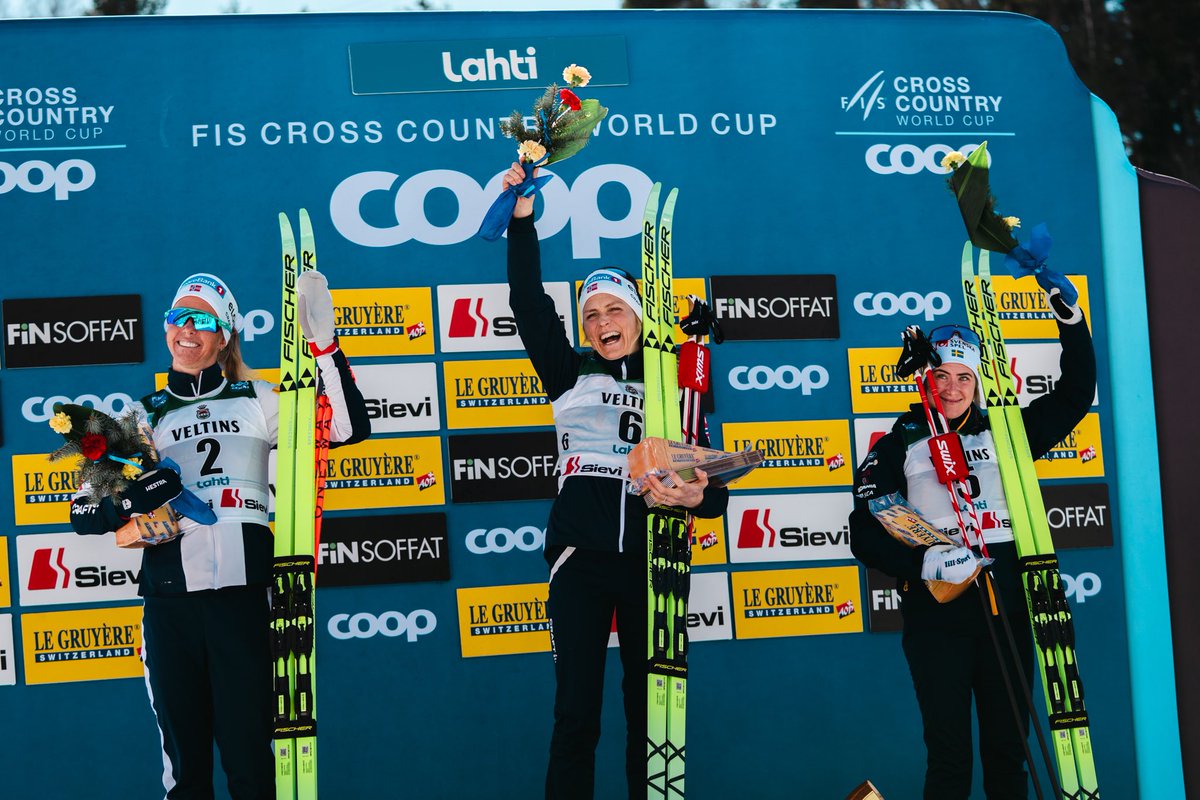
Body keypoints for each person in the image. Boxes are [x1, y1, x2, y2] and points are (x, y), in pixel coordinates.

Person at [69, 271, 370, 800]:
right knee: (186, 774)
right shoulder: (141, 416)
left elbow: (346, 428)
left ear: (225, 334)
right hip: (170, 605)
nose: (186, 330)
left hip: (245, 600)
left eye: (202, 320)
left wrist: (326, 348)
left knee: (252, 764)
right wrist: (134, 497)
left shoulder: (257, 397)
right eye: (177, 318)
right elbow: (83, 511)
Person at [502, 162, 729, 800]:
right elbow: (527, 300)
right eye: (592, 311)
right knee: (575, 714)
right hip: (581, 559)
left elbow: (713, 492)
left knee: (651, 717)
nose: (602, 321)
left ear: (637, 315)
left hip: (656, 559)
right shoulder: (566, 368)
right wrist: (523, 221)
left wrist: (697, 494)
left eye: (614, 309)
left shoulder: (678, 382)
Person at [849, 285, 1095, 800]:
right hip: (938, 618)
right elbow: (864, 534)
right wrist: (925, 562)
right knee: (950, 758)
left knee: (1010, 755)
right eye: (942, 376)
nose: (953, 388)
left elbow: (1075, 393)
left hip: (1008, 611)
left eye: (965, 377)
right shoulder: (899, 443)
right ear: (925, 380)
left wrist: (1070, 321)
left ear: (980, 383)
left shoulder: (1009, 432)